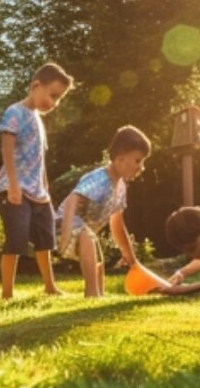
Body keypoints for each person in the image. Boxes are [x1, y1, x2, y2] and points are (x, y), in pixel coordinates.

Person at [0, 62, 74, 299]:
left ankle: (50, 286)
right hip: (14, 188)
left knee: (44, 240)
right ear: (36, 85)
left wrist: (45, 188)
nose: (54, 103)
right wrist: (14, 185)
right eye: (53, 95)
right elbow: (7, 149)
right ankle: (7, 293)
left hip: (37, 191)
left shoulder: (38, 119)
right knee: (16, 240)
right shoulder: (15, 112)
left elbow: (40, 158)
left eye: (59, 99)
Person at [56, 125, 150, 297]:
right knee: (88, 237)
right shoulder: (99, 179)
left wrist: (130, 257)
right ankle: (92, 293)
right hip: (62, 224)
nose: (141, 167)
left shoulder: (121, 187)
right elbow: (72, 199)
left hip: (84, 230)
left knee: (97, 254)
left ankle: (97, 292)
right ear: (120, 159)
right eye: (138, 161)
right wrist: (66, 232)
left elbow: (117, 223)